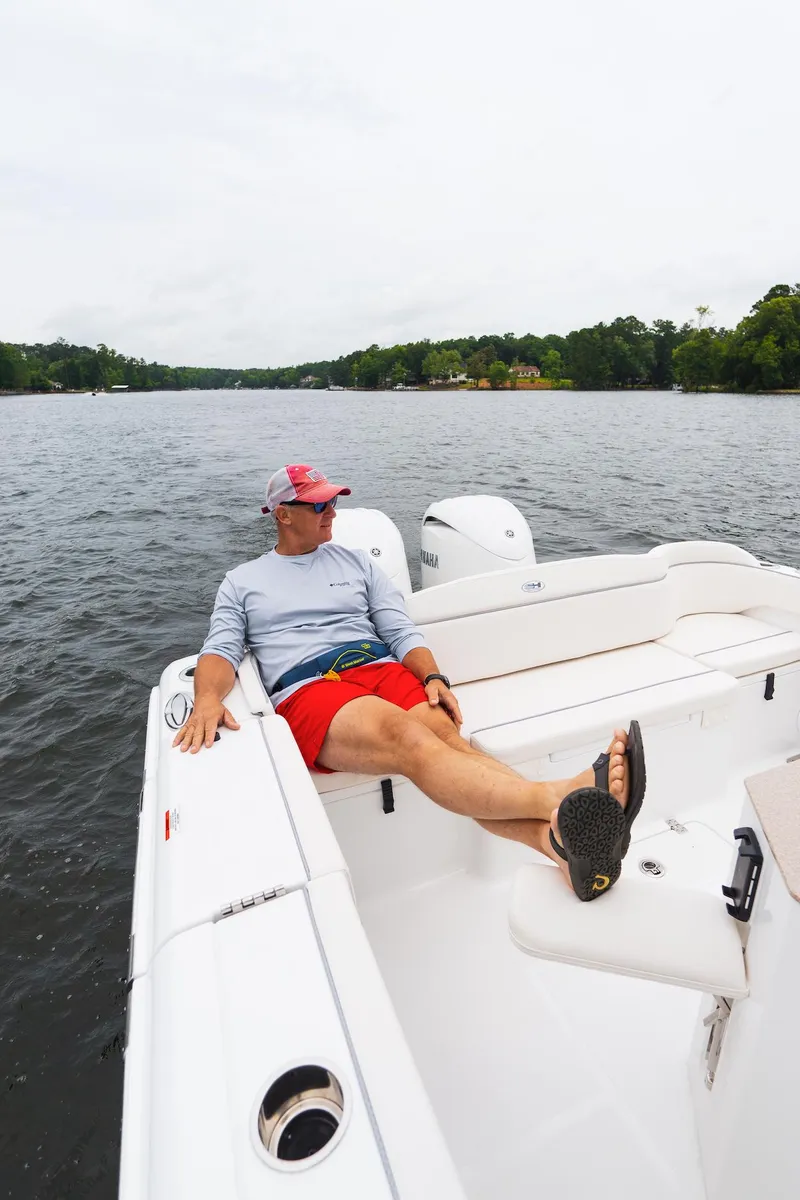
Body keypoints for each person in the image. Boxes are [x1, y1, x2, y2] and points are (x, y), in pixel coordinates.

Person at [173, 464, 646, 901]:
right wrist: (207, 700)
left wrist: (432, 675)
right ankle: (558, 797)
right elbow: (220, 649)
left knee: (449, 742)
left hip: (377, 667)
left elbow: (399, 629)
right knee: (408, 738)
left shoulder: (356, 563)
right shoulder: (243, 581)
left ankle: (559, 847)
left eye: (332, 502)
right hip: (310, 685)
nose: (331, 512)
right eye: (319, 505)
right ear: (283, 515)